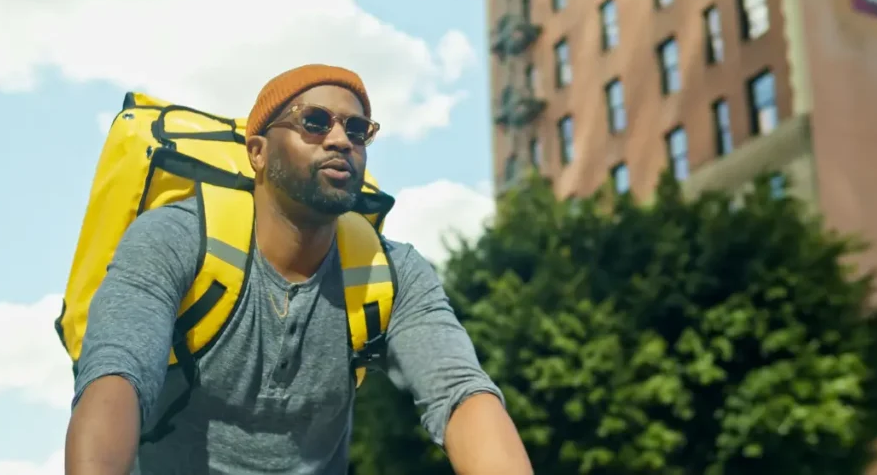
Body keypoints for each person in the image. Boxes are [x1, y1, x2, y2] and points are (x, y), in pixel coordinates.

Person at [64, 64, 534, 474]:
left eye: (357, 130)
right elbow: (116, 374)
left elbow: (462, 397)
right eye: (314, 122)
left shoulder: (390, 271)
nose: (339, 140)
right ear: (258, 152)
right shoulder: (174, 237)